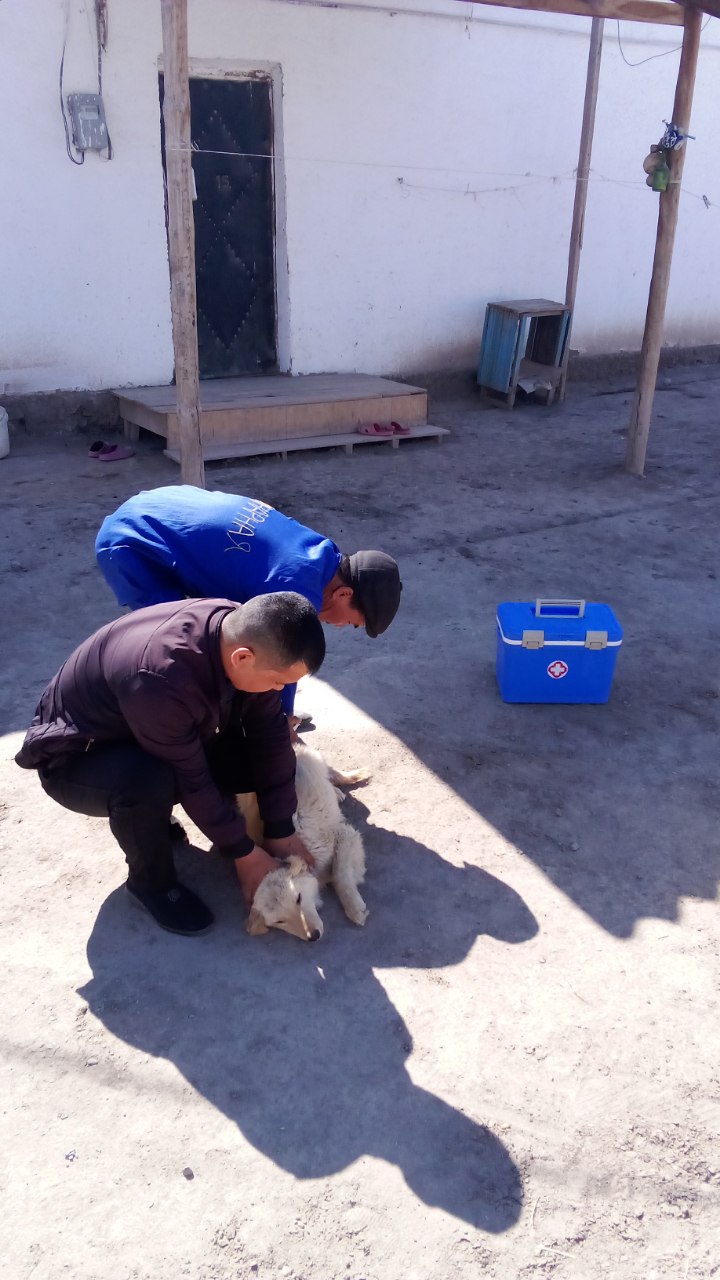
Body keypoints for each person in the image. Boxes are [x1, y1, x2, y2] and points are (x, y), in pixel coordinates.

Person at [15, 593, 325, 937]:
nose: (279, 689)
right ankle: (151, 884)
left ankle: (165, 820)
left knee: (258, 753)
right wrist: (243, 852)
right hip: (78, 758)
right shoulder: (159, 678)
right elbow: (191, 777)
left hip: (146, 731)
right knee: (148, 781)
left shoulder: (241, 632)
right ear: (242, 658)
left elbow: (269, 733)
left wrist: (280, 828)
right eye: (278, 681)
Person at [94, 485, 402, 717]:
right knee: (179, 641)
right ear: (344, 594)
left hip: (162, 505)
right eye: (351, 621)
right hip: (131, 542)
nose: (340, 626)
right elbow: (282, 659)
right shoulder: (296, 586)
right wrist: (282, 719)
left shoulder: (319, 552)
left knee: (224, 636)